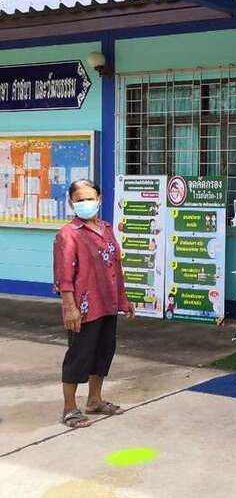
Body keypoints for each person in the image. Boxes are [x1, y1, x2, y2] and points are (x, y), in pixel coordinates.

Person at [52, 179, 134, 429]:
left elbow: (115, 266)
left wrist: (123, 300)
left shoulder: (106, 228)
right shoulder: (68, 234)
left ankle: (94, 400)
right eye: (80, 200)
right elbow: (64, 277)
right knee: (79, 356)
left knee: (103, 352)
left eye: (90, 198)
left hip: (107, 303)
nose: (86, 203)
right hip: (83, 308)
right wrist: (70, 308)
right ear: (71, 203)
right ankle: (69, 409)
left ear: (99, 200)